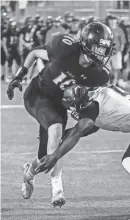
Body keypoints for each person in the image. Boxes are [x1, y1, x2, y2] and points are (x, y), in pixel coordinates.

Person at [7, 22, 114, 207]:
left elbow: (89, 103)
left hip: (59, 104)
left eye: (105, 49)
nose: (102, 54)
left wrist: (80, 106)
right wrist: (19, 76)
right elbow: (34, 52)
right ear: (88, 44)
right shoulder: (65, 47)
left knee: (46, 156)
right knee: (55, 127)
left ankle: (29, 173)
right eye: (99, 47)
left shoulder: (100, 75)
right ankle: (57, 189)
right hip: (38, 94)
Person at [36, 84, 130, 176]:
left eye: (71, 105)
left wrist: (54, 156)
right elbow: (93, 124)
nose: (70, 108)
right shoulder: (98, 98)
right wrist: (61, 135)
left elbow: (78, 132)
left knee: (128, 161)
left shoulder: (93, 106)